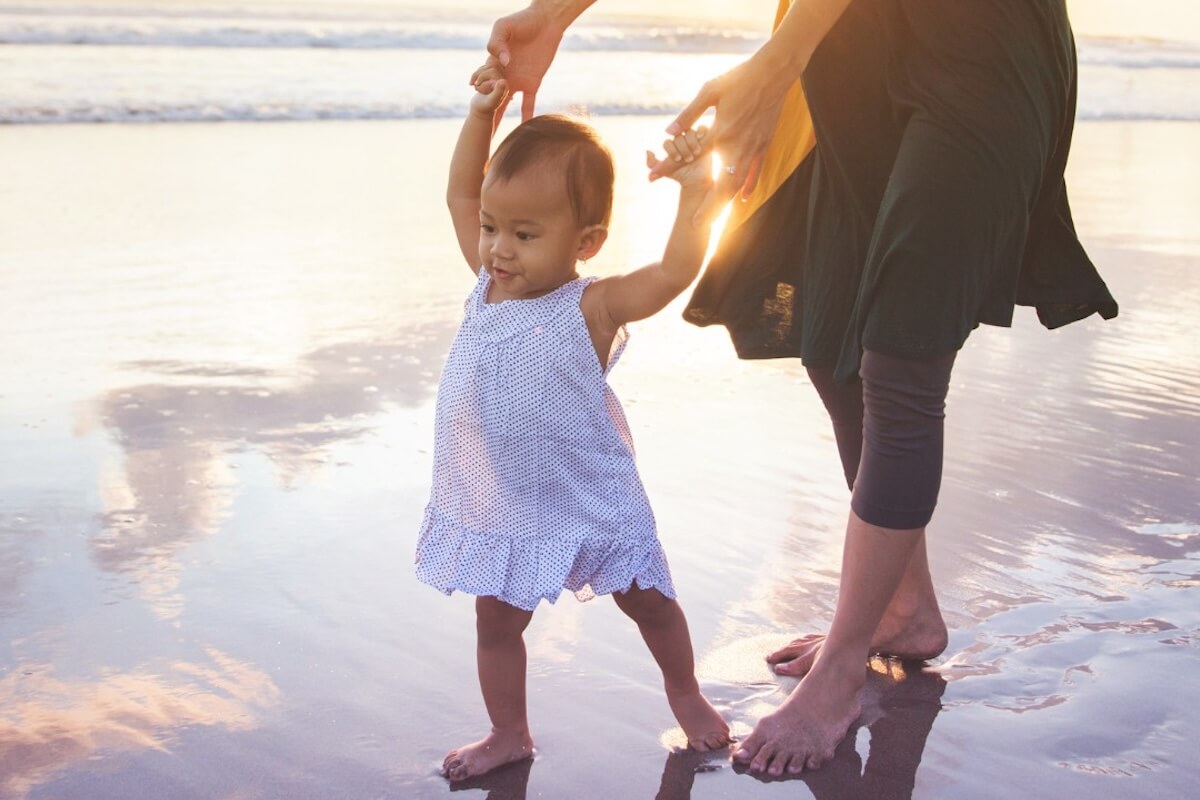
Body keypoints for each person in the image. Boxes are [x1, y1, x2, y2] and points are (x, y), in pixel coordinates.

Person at [484, 0, 1118, 779]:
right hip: (846, 43)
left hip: (975, 42)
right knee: (831, 335)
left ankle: (845, 667)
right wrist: (553, 15)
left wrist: (780, 61)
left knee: (900, 355)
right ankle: (904, 610)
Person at [414, 61, 731, 782]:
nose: (497, 248)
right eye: (494, 229)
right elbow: (462, 192)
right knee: (495, 624)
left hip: (588, 491)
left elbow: (675, 273)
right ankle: (508, 733)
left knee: (648, 602)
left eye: (524, 234)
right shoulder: (487, 284)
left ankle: (685, 692)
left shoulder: (591, 307)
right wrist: (479, 118)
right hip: (506, 497)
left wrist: (695, 197)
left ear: (585, 241)